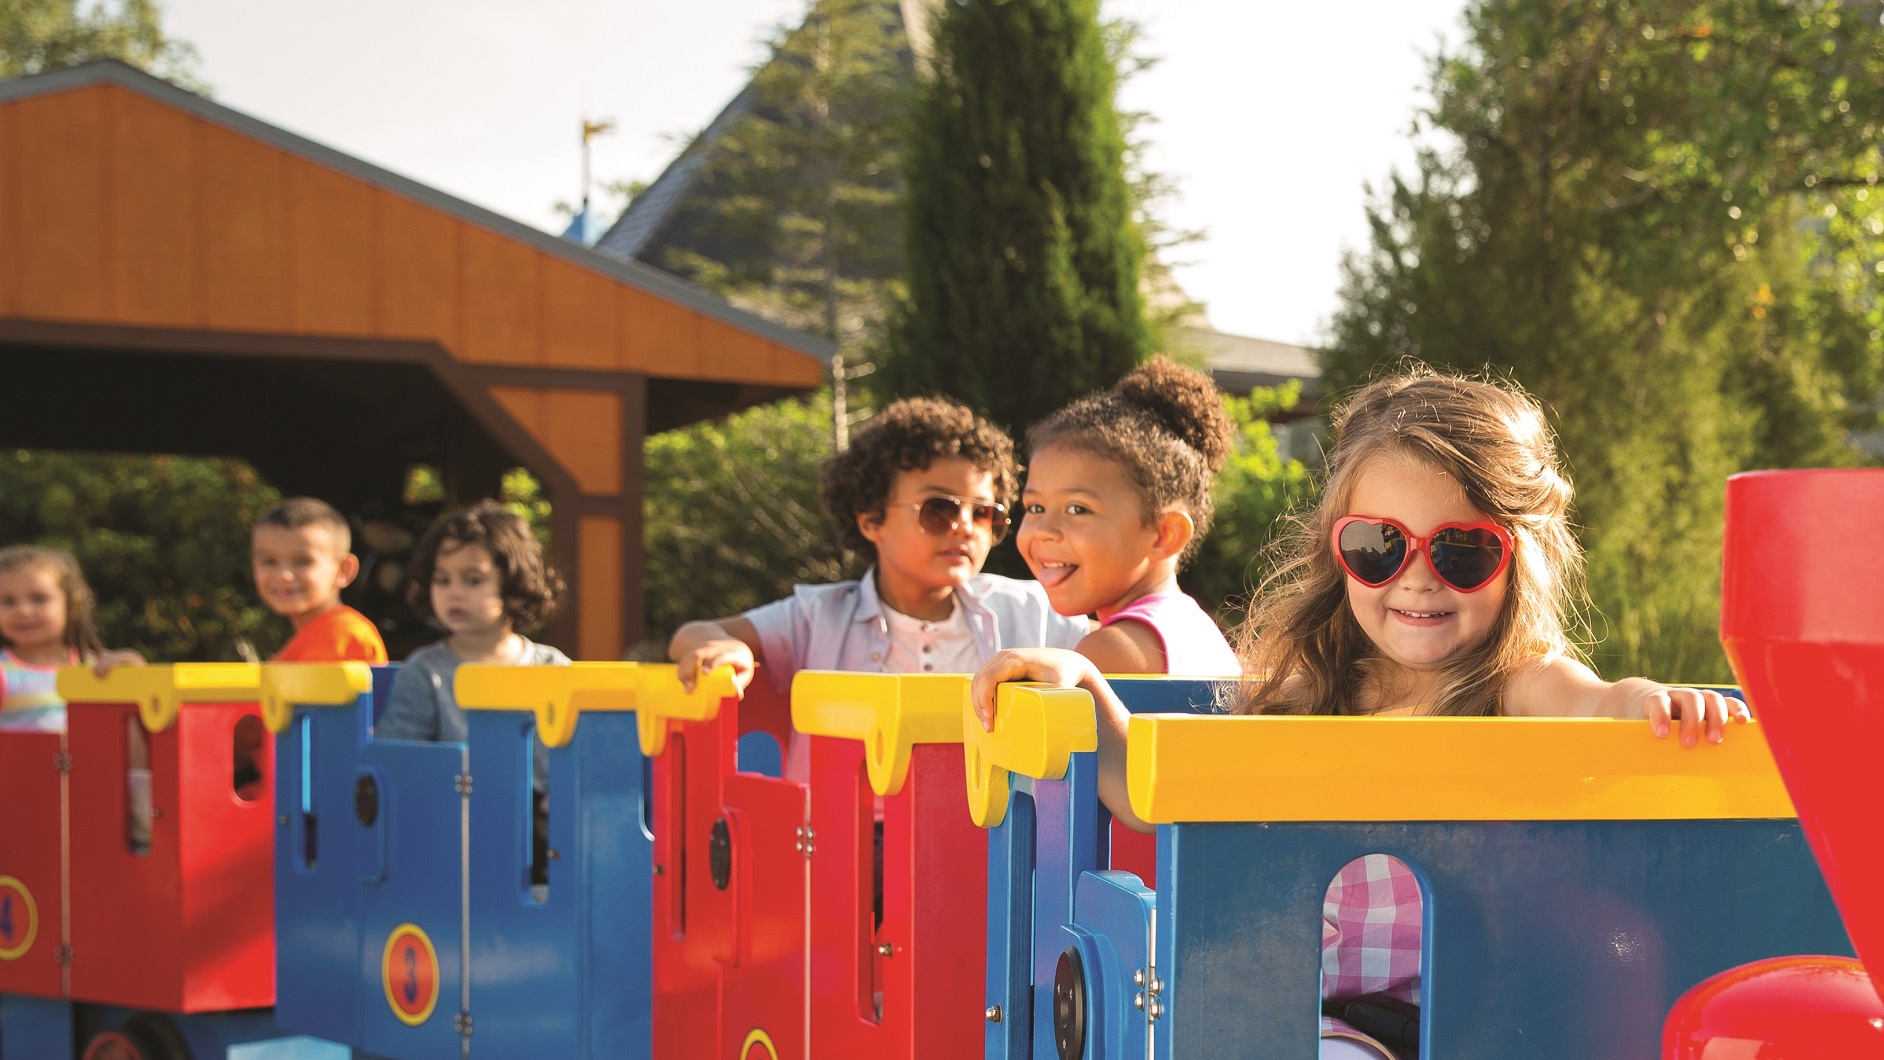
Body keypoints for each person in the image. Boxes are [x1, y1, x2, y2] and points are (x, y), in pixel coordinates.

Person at [970, 369, 1744, 1060]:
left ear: (1517, 559)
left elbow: (1599, 703)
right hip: (1298, 1003)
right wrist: (1084, 685)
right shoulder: (1315, 693)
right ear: (1338, 553)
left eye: (1462, 551)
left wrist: (1655, 704)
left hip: (1441, 1028)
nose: (1417, 577)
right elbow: (1153, 789)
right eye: (1380, 545)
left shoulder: (1515, 684)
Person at [670, 396, 1086, 690]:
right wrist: (729, 650)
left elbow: (1117, 642)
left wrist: (1070, 661)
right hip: (846, 798)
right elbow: (692, 634)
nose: (964, 528)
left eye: (983, 514)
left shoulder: (1029, 610)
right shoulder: (816, 618)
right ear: (871, 519)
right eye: (938, 508)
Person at [1015, 358, 1243, 677]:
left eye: (1077, 509)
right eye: (1035, 508)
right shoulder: (1191, 628)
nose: (1044, 530)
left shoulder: (1108, 652)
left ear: (1165, 534)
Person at [375, 502, 571, 743]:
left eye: (473, 580)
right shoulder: (424, 671)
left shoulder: (553, 668)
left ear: (516, 589)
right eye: (442, 580)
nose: (454, 593)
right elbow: (397, 756)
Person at [0, 545, 143, 733]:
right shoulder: (3, 670)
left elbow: (132, 734)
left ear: (71, 603)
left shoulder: (98, 667)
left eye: (39, 598)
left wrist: (134, 680)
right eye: (8, 601)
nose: (23, 611)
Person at [255, 498, 389, 664]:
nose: (283, 575)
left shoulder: (344, 637)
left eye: (302, 561)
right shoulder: (308, 640)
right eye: (269, 561)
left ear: (343, 570)